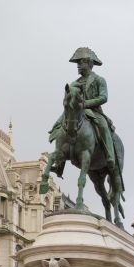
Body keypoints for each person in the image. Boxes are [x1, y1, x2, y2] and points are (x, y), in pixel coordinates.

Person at [48, 47, 116, 176]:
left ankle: (109, 155)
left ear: (89, 63)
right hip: (75, 112)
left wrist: (85, 104)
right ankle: (59, 164)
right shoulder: (74, 84)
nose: (78, 66)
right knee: (61, 126)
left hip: (94, 112)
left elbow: (104, 97)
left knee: (103, 125)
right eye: (77, 63)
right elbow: (68, 101)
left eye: (81, 62)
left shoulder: (99, 80)